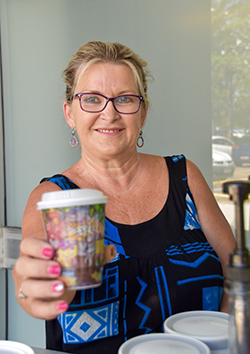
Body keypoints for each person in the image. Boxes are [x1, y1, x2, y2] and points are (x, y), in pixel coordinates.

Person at [13, 41, 236, 354]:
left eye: (125, 99)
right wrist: (32, 290)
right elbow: (30, 275)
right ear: (69, 113)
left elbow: (237, 273)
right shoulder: (53, 198)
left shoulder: (184, 176)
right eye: (92, 99)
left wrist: (225, 342)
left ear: (142, 113)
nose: (109, 113)